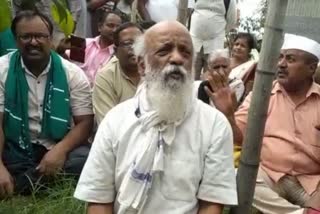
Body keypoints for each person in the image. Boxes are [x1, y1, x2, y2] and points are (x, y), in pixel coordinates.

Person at [74, 21, 237, 213]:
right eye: (164, 51)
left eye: (185, 53)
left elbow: (211, 204)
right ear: (142, 65)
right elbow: (99, 200)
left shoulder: (214, 124)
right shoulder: (115, 121)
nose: (177, 58)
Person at [221, 34, 320, 213]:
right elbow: (239, 137)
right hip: (268, 175)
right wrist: (228, 115)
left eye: (290, 59)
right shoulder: (261, 95)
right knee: (238, 179)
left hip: (312, 181)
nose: (281, 64)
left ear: (311, 68)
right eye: (280, 57)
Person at [0, 11, 93, 197]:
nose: (33, 42)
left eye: (40, 36)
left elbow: (85, 122)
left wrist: (60, 150)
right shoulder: (3, 69)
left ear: (50, 39)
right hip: (14, 145)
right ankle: (36, 180)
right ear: (16, 40)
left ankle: (23, 183)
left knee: (83, 160)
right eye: (25, 36)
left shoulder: (72, 73)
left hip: (57, 144)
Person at [92, 22, 143, 124]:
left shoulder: (155, 71)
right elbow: (108, 125)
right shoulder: (106, 76)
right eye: (128, 43)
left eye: (139, 43)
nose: (135, 48)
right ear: (115, 51)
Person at [59, 11, 123, 86]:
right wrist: (60, 49)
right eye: (110, 25)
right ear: (100, 27)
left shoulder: (119, 53)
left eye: (118, 27)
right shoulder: (83, 43)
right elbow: (62, 60)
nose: (115, 30)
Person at [190, 0, 237, 80]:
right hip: (194, 43)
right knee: (189, 77)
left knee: (210, 79)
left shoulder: (229, 1)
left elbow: (231, 21)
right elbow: (188, 11)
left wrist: (216, 33)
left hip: (215, 46)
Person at [12, 0, 84, 47]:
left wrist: (68, 37)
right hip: (35, 36)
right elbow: (17, 15)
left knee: (74, 65)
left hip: (66, 33)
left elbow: (76, 10)